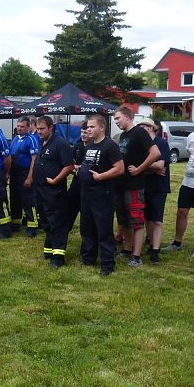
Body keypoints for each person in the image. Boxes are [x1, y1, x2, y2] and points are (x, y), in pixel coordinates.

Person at [113, 109, 161, 267]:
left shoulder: (139, 132)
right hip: (120, 183)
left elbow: (155, 153)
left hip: (134, 185)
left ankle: (136, 256)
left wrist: (139, 169)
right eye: (115, 119)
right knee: (124, 219)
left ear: (127, 117)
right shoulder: (124, 135)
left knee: (137, 220)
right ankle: (127, 249)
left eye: (118, 118)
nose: (116, 122)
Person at [78, 114, 125, 277]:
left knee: (103, 229)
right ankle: (88, 258)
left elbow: (119, 168)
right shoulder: (89, 145)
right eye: (87, 127)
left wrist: (101, 176)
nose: (88, 129)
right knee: (87, 227)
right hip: (86, 192)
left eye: (92, 127)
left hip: (102, 193)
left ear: (102, 127)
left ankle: (107, 264)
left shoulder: (110, 145)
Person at [164, 110, 194, 258]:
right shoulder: (191, 136)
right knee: (181, 211)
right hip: (188, 180)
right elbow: (190, 154)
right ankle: (177, 242)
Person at [33, 115, 75, 267]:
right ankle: (49, 250)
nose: (39, 132)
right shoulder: (42, 143)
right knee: (45, 221)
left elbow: (69, 166)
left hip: (54, 190)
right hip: (41, 190)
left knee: (57, 222)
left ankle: (58, 257)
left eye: (42, 129)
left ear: (51, 128)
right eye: (37, 129)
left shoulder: (60, 143)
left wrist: (56, 179)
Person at [144, 120, 171, 265]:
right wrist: (150, 167)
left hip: (159, 186)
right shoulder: (142, 143)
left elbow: (161, 164)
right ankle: (149, 241)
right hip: (144, 184)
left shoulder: (161, 143)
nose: (141, 129)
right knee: (147, 217)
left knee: (157, 219)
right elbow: (135, 162)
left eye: (143, 127)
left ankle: (156, 250)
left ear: (151, 128)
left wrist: (142, 166)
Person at [9, 117, 39, 236]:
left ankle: (32, 226)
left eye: (22, 126)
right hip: (14, 174)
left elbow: (34, 159)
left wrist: (30, 177)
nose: (19, 128)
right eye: (18, 126)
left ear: (28, 127)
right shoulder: (15, 139)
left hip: (25, 173)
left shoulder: (31, 140)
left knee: (28, 200)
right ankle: (15, 224)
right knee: (15, 199)